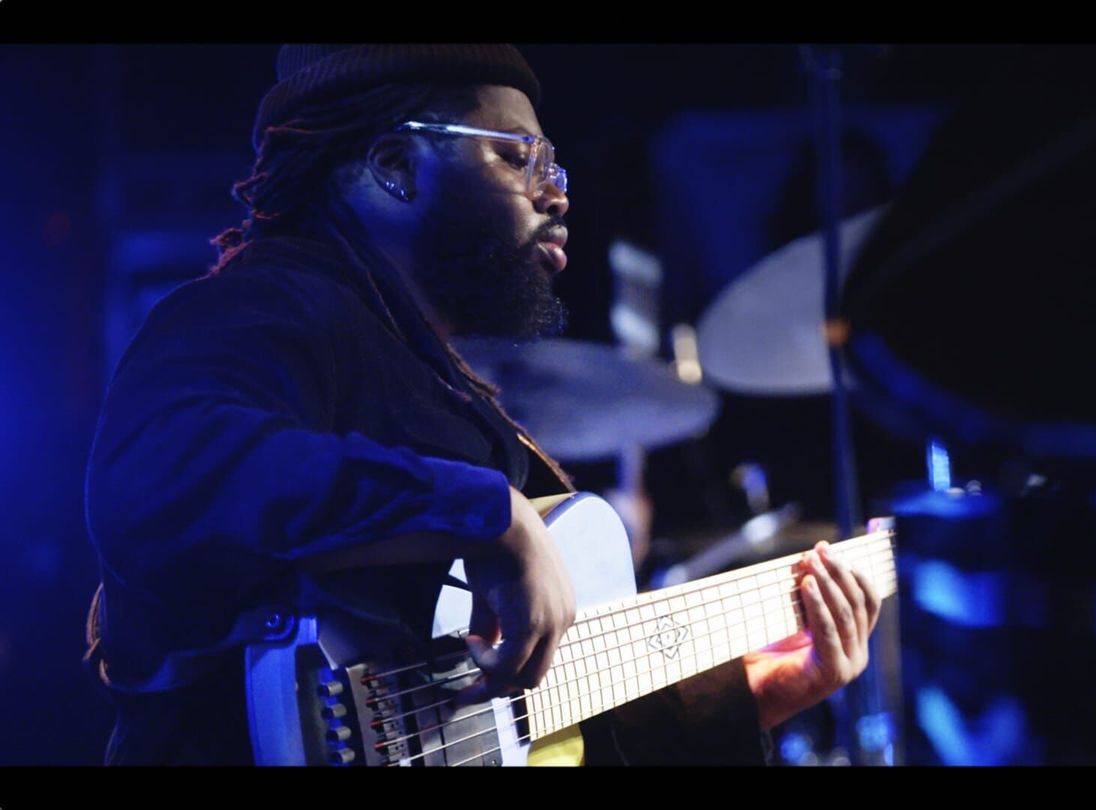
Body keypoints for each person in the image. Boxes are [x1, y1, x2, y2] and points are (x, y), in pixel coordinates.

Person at [82, 43, 882, 766]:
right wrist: (487, 513)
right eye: (519, 159)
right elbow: (156, 478)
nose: (556, 196)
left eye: (557, 171)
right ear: (396, 163)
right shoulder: (272, 305)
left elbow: (524, 727)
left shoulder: (437, 383)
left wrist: (761, 695)